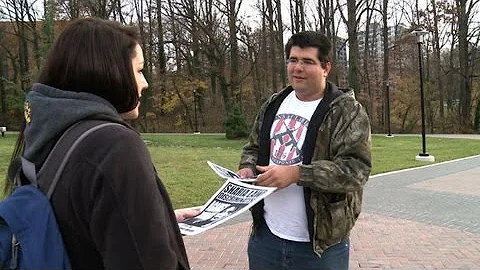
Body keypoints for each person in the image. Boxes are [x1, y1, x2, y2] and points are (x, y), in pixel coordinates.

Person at [6, 17, 199, 269]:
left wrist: (153, 220)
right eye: (139, 70)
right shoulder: (114, 145)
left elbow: (73, 223)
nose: (145, 83)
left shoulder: (50, 133)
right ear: (109, 72)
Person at [237, 31, 372, 270]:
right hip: (266, 237)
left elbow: (355, 170)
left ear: (325, 67)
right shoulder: (273, 104)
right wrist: (247, 168)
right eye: (293, 60)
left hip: (320, 246)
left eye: (308, 61)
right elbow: (253, 147)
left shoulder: (346, 111)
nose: (297, 68)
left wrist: (298, 174)